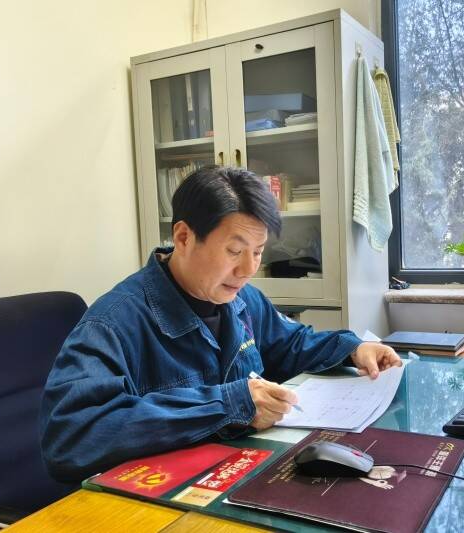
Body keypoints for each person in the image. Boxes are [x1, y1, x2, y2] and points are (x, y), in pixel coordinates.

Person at [39, 166, 401, 482]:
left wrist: (353, 349)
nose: (248, 269)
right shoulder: (113, 323)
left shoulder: (242, 299)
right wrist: (228, 404)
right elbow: (71, 438)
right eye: (234, 251)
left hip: (237, 472)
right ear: (183, 237)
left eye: (258, 252)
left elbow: (290, 344)